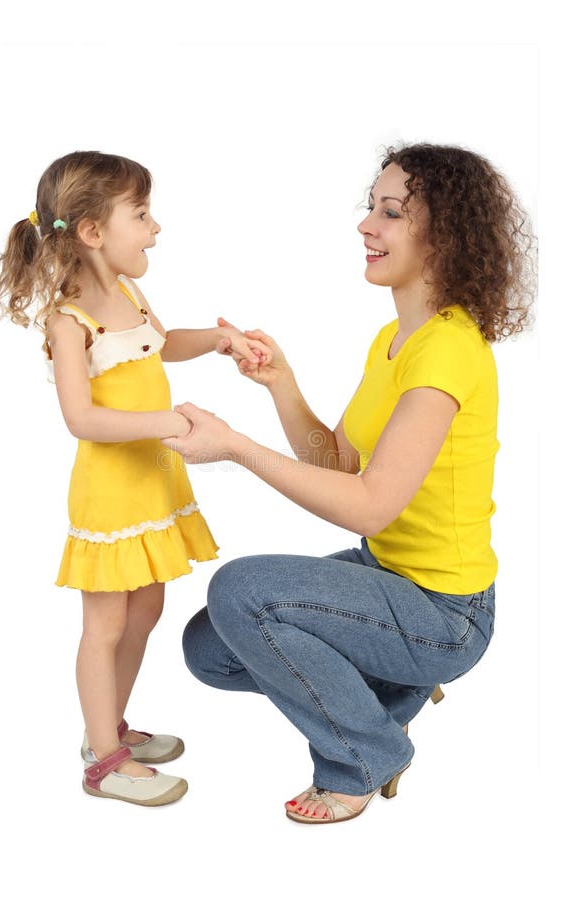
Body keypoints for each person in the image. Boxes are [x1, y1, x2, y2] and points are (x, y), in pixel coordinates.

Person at [170, 143, 536, 824]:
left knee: (240, 592)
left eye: (391, 212)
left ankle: (366, 754)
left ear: (447, 234)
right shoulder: (395, 339)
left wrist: (234, 448)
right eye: (371, 208)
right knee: (209, 650)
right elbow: (336, 463)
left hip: (446, 615)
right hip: (388, 579)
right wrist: (281, 384)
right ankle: (395, 687)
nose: (366, 225)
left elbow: (370, 506)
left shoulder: (447, 350)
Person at [0, 150, 270, 807]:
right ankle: (103, 763)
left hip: (153, 482)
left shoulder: (128, 293)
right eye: (141, 215)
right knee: (106, 625)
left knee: (146, 606)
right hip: (112, 495)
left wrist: (218, 340)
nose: (155, 228)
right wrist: (168, 421)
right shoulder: (70, 320)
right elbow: (81, 418)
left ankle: (108, 725)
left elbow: (160, 343)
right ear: (92, 231)